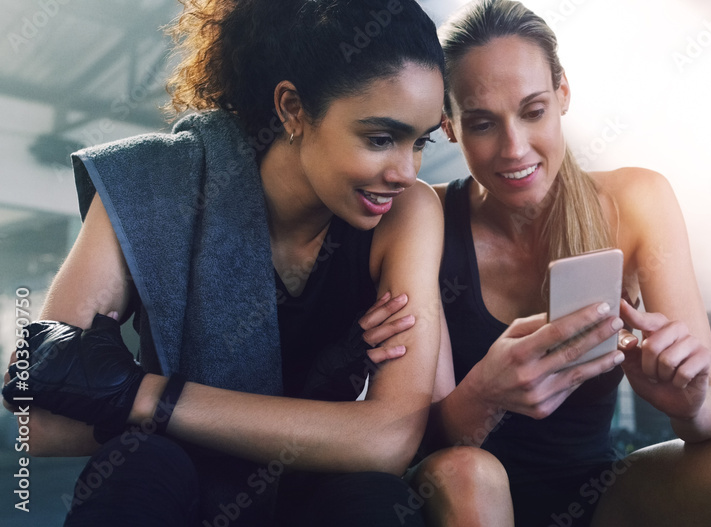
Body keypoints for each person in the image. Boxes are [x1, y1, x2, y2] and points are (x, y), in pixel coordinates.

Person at [2, 0, 446, 525]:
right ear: (293, 109)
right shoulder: (152, 185)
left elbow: (386, 439)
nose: (404, 170)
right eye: (380, 139)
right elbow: (40, 419)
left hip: (315, 497)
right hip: (179, 489)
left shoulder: (408, 211)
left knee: (378, 502)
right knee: (141, 466)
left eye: (420, 142)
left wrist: (138, 395)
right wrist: (326, 424)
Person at [410, 1, 711, 525]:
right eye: (481, 123)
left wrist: (686, 398)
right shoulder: (424, 217)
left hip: (597, 496)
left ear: (563, 94)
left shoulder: (636, 201)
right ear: (448, 126)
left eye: (534, 111)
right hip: (462, 495)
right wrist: (484, 395)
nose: (514, 148)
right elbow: (420, 440)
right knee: (468, 474)